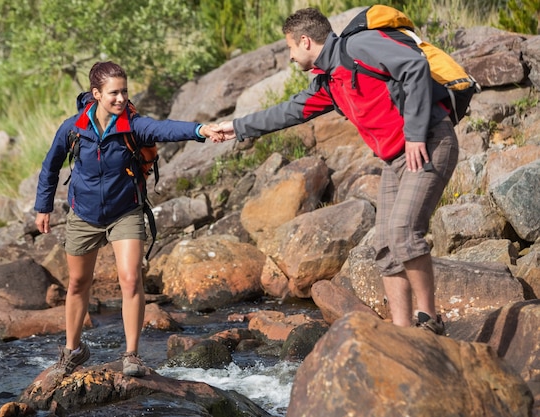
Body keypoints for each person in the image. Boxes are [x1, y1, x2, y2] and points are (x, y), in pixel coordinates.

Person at [216, 8, 458, 335]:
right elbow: (288, 112)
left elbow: (414, 66)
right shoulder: (329, 82)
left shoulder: (358, 48)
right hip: (394, 157)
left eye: (289, 48)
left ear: (305, 41)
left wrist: (415, 134)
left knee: (403, 232)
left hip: (428, 141)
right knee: (385, 245)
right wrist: (237, 127)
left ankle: (429, 320)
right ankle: (402, 332)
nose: (289, 57)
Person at [35, 61, 223, 378]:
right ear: (96, 94)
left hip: (125, 211)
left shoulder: (132, 126)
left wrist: (199, 130)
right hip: (83, 214)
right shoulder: (73, 128)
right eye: (113, 93)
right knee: (79, 283)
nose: (121, 98)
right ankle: (73, 350)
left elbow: (165, 129)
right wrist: (43, 207)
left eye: (124, 91)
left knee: (131, 279)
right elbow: (50, 167)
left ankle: (132, 354)